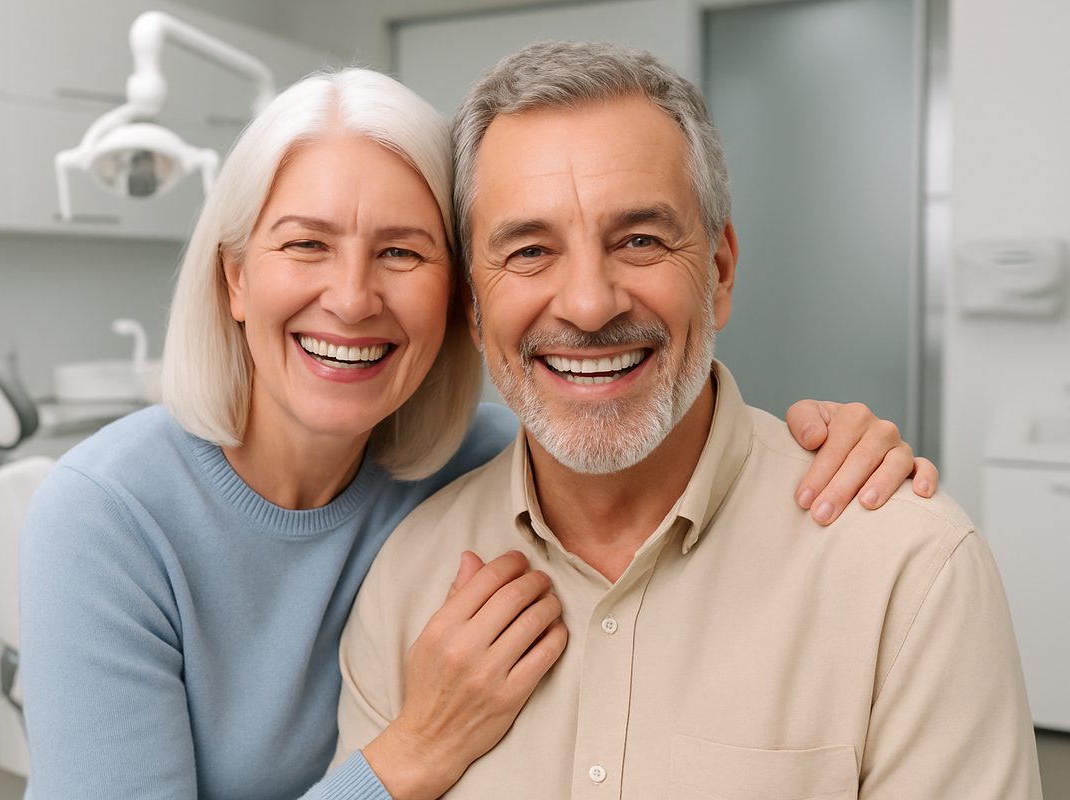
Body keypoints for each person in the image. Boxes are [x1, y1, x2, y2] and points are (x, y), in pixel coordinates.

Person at [21, 67, 938, 800]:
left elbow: (634, 399)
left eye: (402, 250)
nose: (350, 296)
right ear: (232, 280)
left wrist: (823, 445)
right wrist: (407, 758)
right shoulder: (107, 515)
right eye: (305, 244)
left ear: (459, 294)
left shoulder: (484, 461)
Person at [334, 42, 1042, 799]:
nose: (589, 303)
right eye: (531, 250)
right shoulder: (408, 580)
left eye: (639, 240)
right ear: (473, 309)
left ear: (721, 271)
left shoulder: (908, 573)